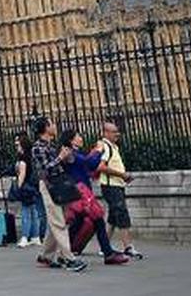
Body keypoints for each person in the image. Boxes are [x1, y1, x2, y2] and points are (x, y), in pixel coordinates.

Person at [60, 129, 129, 265]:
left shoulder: (74, 153)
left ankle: (64, 250)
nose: (81, 138)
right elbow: (89, 163)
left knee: (78, 222)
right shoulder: (70, 154)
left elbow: (88, 166)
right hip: (79, 192)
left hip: (81, 191)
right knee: (97, 219)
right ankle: (108, 253)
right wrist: (98, 150)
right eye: (78, 136)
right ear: (71, 140)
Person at [30, 116, 87, 273]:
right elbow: (43, 170)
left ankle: (45, 256)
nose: (55, 126)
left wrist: (68, 157)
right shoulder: (37, 148)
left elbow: (63, 163)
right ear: (46, 128)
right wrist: (59, 158)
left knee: (55, 222)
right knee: (59, 222)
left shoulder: (52, 145)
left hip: (60, 183)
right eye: (52, 124)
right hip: (48, 185)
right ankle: (68, 258)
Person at [97, 122, 142, 259]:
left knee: (113, 217)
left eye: (117, 131)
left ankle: (104, 246)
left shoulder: (113, 147)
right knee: (122, 214)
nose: (117, 134)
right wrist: (122, 175)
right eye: (113, 131)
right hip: (111, 186)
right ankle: (128, 247)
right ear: (105, 133)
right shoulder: (104, 146)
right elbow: (101, 167)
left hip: (116, 185)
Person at [12, 134, 44, 247]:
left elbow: (22, 173)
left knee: (26, 212)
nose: (16, 144)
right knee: (34, 212)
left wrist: (18, 188)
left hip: (26, 187)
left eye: (17, 142)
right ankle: (36, 236)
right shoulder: (31, 155)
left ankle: (25, 237)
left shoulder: (23, 157)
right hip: (33, 186)